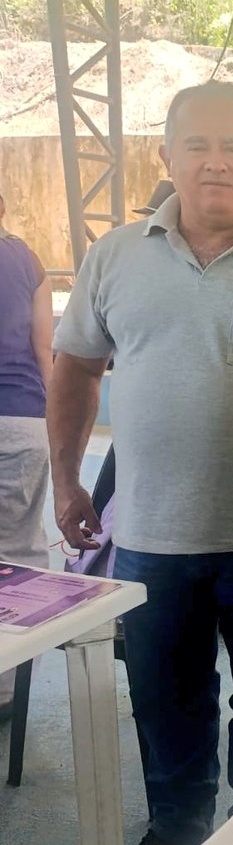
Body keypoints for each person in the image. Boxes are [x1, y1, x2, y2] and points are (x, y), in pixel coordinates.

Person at [47, 81, 233, 845]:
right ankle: (175, 833)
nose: (216, 162)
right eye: (196, 145)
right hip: (152, 540)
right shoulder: (115, 256)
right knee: (165, 698)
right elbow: (75, 369)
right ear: (165, 157)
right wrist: (65, 480)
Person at [0, 190, 54, 721]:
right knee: (16, 556)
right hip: (20, 419)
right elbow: (46, 351)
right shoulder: (28, 260)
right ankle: (8, 691)